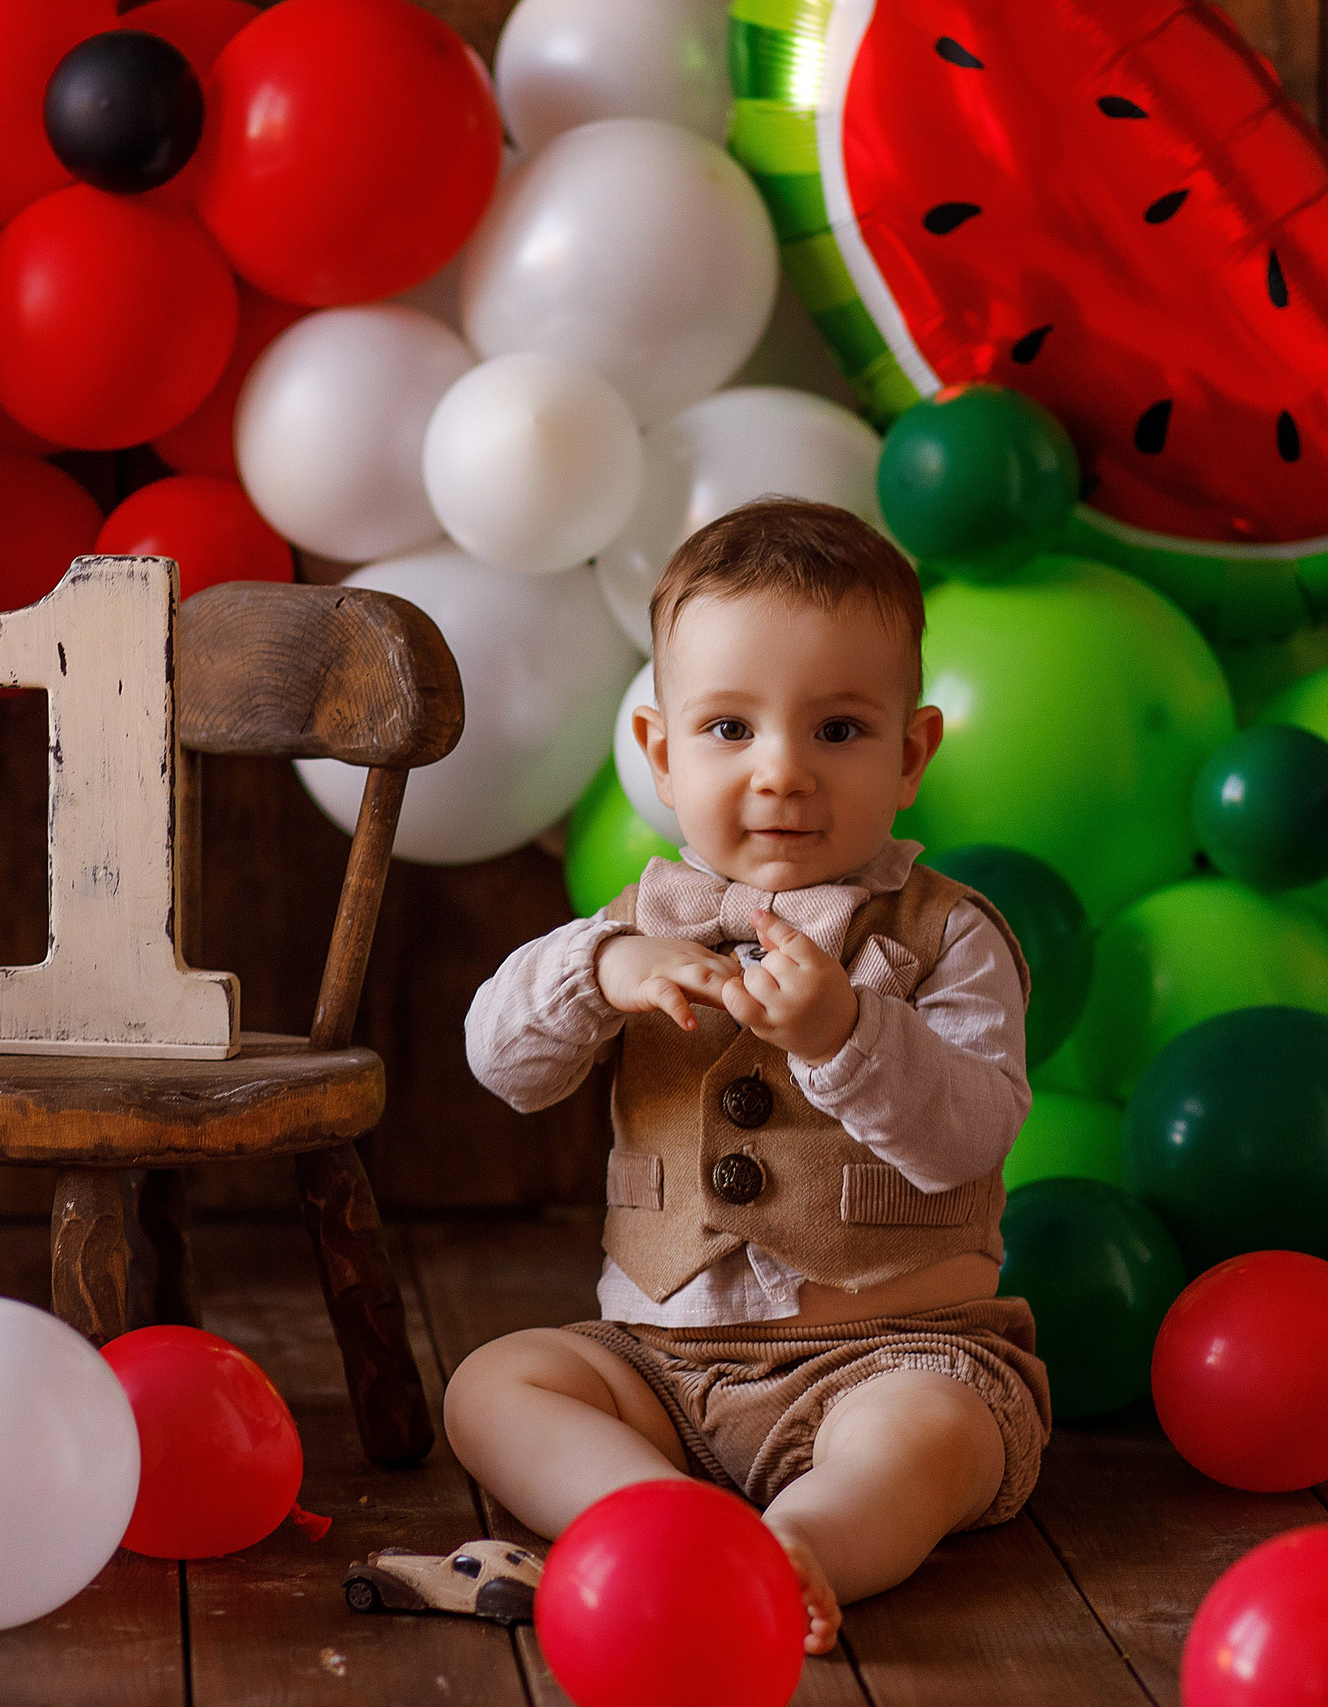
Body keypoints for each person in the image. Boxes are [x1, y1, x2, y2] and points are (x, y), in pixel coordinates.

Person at [443, 497, 1047, 1652]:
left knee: (933, 1434)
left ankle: (805, 1541)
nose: (782, 772)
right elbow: (500, 1063)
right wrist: (598, 970)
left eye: (837, 729)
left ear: (910, 754)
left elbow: (969, 1134)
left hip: (889, 1353)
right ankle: (659, 1518)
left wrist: (846, 1034)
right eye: (729, 728)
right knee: (494, 1386)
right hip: (658, 1370)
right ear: (661, 755)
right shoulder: (633, 929)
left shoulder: (946, 936)